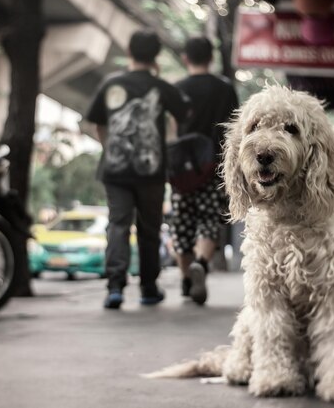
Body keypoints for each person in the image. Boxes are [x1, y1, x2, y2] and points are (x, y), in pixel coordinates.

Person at [85, 30, 189, 309]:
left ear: (129, 51)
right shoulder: (162, 87)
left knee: (118, 225)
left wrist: (110, 150)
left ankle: (115, 288)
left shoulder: (112, 83)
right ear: (156, 56)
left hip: (115, 170)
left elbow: (98, 124)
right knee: (149, 229)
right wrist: (167, 144)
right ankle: (148, 288)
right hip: (151, 170)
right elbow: (182, 118)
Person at [171, 36, 238, 305]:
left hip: (182, 170)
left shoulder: (176, 89)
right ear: (211, 58)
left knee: (181, 225)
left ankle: (187, 279)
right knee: (209, 220)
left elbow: (170, 130)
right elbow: (234, 127)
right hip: (213, 166)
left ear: (185, 58)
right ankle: (201, 263)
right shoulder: (224, 88)